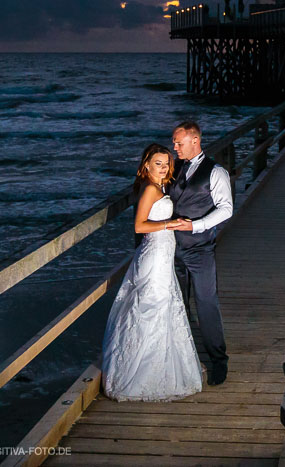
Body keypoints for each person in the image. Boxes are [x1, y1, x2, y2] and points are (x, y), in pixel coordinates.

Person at [101, 144, 203, 401]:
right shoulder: (149, 189)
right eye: (158, 163)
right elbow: (139, 226)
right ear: (146, 165)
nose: (164, 167)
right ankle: (141, 374)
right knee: (152, 305)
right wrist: (171, 223)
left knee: (164, 305)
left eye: (167, 163)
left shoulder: (159, 187)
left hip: (163, 252)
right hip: (155, 254)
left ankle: (163, 367)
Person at [167, 121, 233, 385]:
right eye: (173, 143)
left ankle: (218, 360)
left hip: (200, 248)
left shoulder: (216, 172)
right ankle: (181, 358)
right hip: (171, 249)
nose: (174, 147)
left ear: (195, 140)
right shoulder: (173, 168)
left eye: (178, 143)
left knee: (206, 304)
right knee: (176, 304)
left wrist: (196, 225)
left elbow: (226, 208)